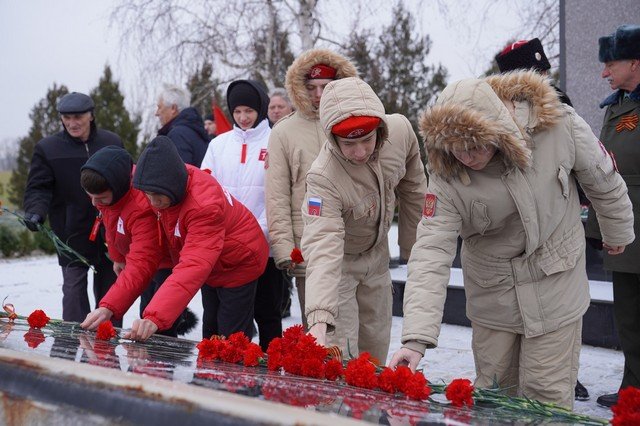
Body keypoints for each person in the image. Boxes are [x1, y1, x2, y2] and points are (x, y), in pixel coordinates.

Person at [389, 71, 634, 409]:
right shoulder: (446, 176)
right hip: (494, 297)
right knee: (497, 399)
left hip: (556, 282)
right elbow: (430, 252)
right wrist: (415, 339)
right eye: (455, 148)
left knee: (547, 400)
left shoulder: (557, 125)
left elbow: (602, 178)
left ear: (498, 130)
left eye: (475, 145)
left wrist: (617, 230)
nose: (466, 157)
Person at [302, 77, 427, 363]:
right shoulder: (323, 177)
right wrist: (319, 321)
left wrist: (414, 253)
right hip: (340, 265)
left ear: (380, 130)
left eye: (367, 140)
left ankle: (372, 409)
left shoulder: (400, 132)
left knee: (375, 349)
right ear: (333, 138)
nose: (360, 152)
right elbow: (323, 244)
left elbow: (415, 189)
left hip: (378, 258)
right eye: (349, 143)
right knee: (340, 354)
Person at [496, 37, 590, 402]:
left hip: (556, 216)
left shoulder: (558, 105)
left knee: (560, 311)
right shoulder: (505, 112)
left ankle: (568, 377)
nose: (545, 79)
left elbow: (579, 161)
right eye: (537, 73)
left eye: (544, 72)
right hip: (521, 223)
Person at [126, 136, 268, 341]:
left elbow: (195, 263)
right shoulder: (164, 187)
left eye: (157, 195)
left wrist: (154, 316)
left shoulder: (204, 205)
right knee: (210, 326)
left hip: (240, 261)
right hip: (212, 263)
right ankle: (207, 371)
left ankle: (235, 372)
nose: (152, 202)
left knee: (232, 334)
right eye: (147, 194)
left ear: (173, 185)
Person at [266, 49, 358, 329]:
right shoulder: (283, 132)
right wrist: (284, 248)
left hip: (356, 245)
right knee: (319, 330)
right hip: (310, 247)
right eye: (311, 87)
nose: (319, 94)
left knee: (358, 329)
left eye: (326, 87)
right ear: (300, 88)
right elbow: (277, 194)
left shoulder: (354, 123)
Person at [23, 92, 123, 325]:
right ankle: (72, 345)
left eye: (78, 116)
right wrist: (35, 211)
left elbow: (125, 181)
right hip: (70, 233)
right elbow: (38, 187)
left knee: (111, 295)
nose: (72, 123)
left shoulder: (112, 142)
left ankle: (106, 345)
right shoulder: (48, 148)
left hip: (110, 233)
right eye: (66, 117)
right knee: (73, 293)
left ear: (91, 115)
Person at [200, 79, 284, 352]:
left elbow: (280, 193)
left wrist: (261, 230)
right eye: (237, 112)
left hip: (265, 243)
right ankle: (218, 362)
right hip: (226, 247)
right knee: (220, 313)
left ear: (260, 108)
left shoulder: (276, 140)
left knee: (268, 311)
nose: (243, 117)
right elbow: (206, 189)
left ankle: (274, 364)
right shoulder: (219, 144)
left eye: (248, 111)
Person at [78, 146, 193, 337]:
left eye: (100, 198)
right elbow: (112, 226)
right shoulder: (109, 200)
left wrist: (108, 307)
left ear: (118, 187)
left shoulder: (141, 206)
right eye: (90, 197)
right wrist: (117, 257)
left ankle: (159, 363)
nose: (94, 203)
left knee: (157, 321)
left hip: (166, 262)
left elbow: (143, 261)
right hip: (142, 262)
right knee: (145, 309)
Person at [586, 24, 640, 409]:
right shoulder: (618, 105)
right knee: (629, 318)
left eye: (611, 63)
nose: (605, 72)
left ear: (635, 62)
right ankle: (633, 389)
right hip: (625, 230)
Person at [155, 84, 209, 167]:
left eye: (159, 107)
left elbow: (179, 175)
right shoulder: (193, 130)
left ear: (173, 108)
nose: (157, 113)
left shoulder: (178, 135)